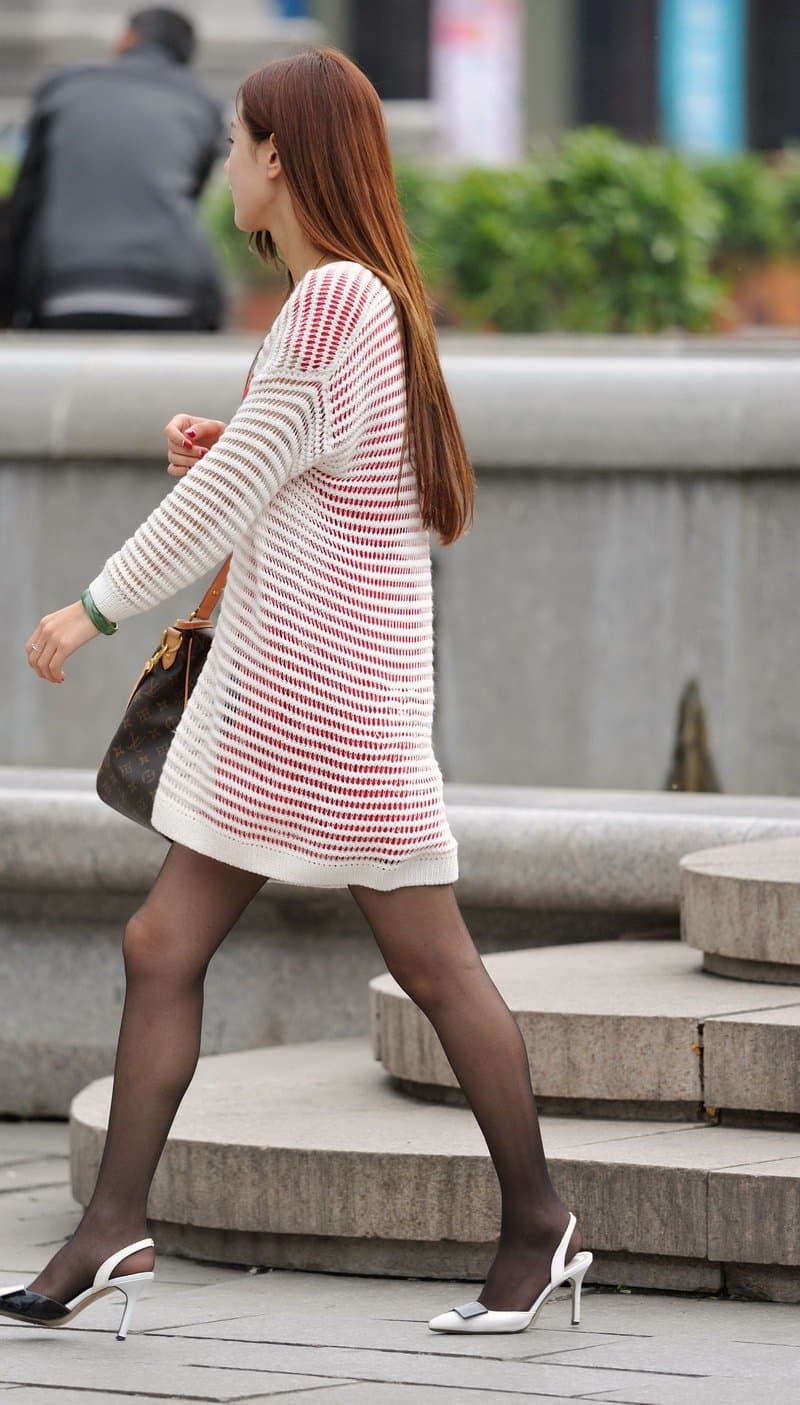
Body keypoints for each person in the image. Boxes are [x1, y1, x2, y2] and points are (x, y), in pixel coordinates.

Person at [5, 46, 591, 1339]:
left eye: (235, 142)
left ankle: (540, 1223)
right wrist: (238, 438)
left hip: (330, 710)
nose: (224, 166)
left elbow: (227, 500)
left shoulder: (334, 304)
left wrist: (93, 607)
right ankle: (113, 1228)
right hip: (301, 701)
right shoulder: (354, 302)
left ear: (281, 156)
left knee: (438, 970)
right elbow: (311, 471)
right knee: (162, 945)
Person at [0, 7, 226, 331]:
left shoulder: (62, 90)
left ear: (127, 38)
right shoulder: (201, 105)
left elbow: (26, 204)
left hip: (65, 291)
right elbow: (190, 201)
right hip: (174, 293)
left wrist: (11, 308)